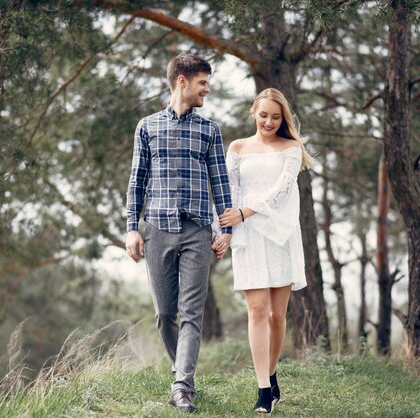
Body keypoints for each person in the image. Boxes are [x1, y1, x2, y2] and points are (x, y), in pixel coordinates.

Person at [125, 53, 232, 413]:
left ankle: (182, 386)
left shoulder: (210, 131)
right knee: (163, 313)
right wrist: (131, 229)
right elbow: (136, 182)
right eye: (203, 82)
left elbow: (221, 183)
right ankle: (181, 371)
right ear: (182, 81)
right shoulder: (147, 126)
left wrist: (226, 230)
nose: (208, 89)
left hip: (199, 231)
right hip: (156, 228)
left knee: (190, 313)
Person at [219, 88, 314, 414]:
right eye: (264, 115)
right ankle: (263, 389)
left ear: (283, 118)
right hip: (247, 236)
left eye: (276, 116)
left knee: (276, 314)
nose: (269, 121)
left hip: (280, 233)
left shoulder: (291, 148)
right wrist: (228, 230)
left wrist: (245, 212)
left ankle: (272, 372)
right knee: (257, 311)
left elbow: (281, 189)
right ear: (253, 113)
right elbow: (229, 191)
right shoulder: (237, 147)